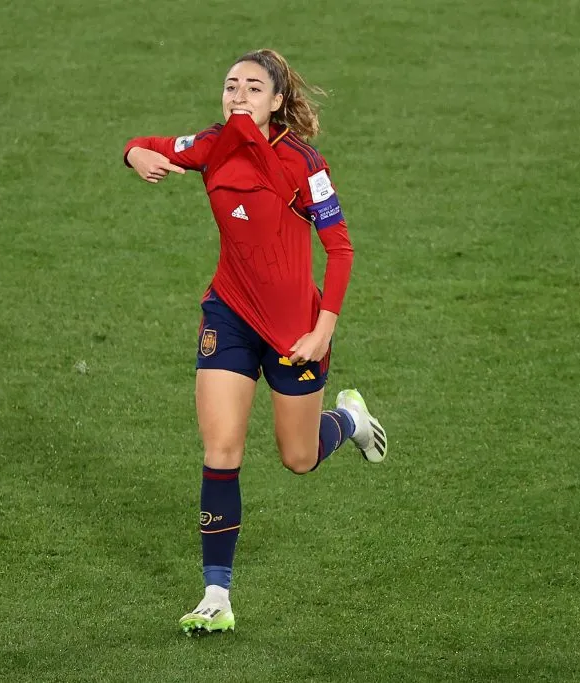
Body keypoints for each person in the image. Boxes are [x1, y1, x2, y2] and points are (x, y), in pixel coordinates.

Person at [122, 49, 388, 635]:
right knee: (222, 450)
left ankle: (348, 420)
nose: (237, 94)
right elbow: (150, 143)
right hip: (230, 315)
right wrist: (134, 153)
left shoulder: (302, 163)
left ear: (276, 101)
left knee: (299, 457)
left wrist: (324, 329)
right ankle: (216, 595)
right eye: (230, 85)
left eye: (251, 87)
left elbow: (340, 249)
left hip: (297, 330)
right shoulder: (212, 144)